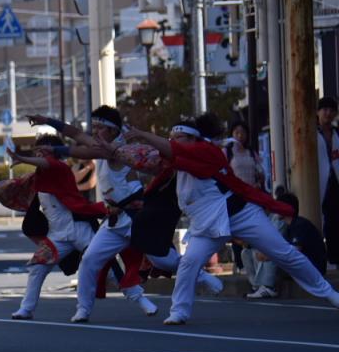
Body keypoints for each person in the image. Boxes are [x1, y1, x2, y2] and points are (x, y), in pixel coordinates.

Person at [125, 113, 339, 324]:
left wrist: (142, 134)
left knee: (284, 253)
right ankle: (179, 311)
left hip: (241, 214)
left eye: (178, 136)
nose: (173, 140)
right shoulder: (176, 164)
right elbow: (148, 161)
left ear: (193, 139)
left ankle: (329, 293)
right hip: (207, 224)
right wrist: (111, 150)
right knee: (189, 263)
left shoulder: (207, 151)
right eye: (171, 136)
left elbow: (173, 149)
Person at [26, 107, 160, 322]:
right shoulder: (43, 173)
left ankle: (200, 276)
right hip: (96, 225)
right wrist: (47, 120)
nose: (94, 132)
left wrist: (57, 150)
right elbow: (78, 135)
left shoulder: (120, 149)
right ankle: (81, 309)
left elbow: (84, 150)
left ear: (113, 130)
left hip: (131, 218)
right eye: (94, 127)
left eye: (99, 128)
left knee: (163, 259)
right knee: (89, 262)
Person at [0, 134, 107, 320]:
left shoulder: (61, 169)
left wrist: (21, 158)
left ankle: (138, 296)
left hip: (79, 228)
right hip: (57, 236)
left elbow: (49, 163)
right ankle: (26, 309)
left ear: (54, 153)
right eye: (36, 151)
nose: (38, 155)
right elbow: (12, 184)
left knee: (103, 263)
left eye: (42, 151)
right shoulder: (36, 177)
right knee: (37, 267)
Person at [225, 120, 264, 273]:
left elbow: (261, 172)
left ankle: (254, 262)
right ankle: (240, 263)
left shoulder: (251, 152)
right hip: (235, 194)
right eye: (236, 132)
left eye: (243, 132)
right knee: (237, 229)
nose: (240, 136)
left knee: (253, 227)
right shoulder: (227, 153)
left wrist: (259, 182)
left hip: (252, 194)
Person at [316, 97, 339, 265]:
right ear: (318, 112)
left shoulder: (337, 133)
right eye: (324, 109)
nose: (328, 113)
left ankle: (334, 256)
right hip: (318, 179)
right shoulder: (311, 132)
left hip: (336, 180)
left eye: (331, 110)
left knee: (335, 219)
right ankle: (325, 257)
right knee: (321, 219)